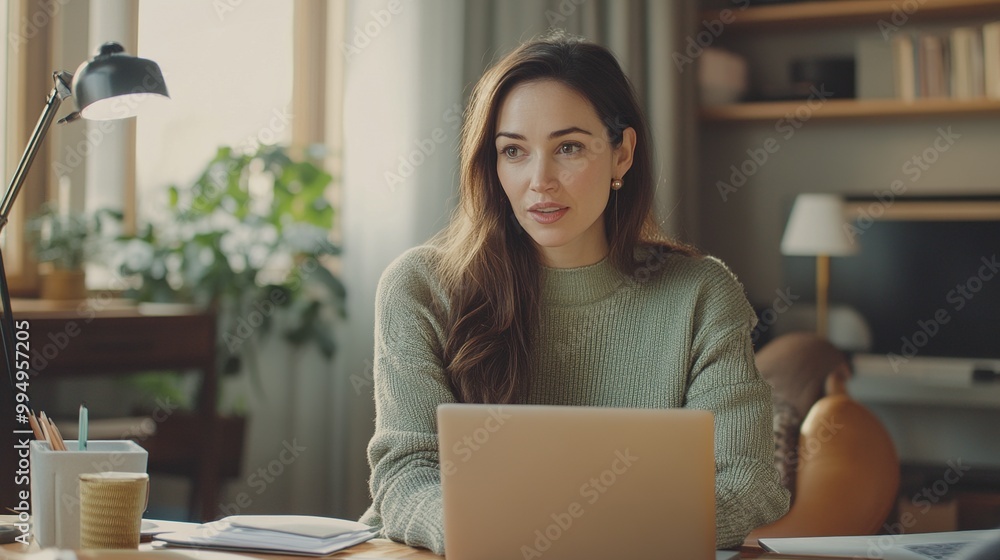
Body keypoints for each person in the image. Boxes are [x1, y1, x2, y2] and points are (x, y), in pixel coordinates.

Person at [359, 32, 789, 554]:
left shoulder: (700, 294)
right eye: (513, 151)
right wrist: (489, 535)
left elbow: (746, 483)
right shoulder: (420, 288)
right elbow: (406, 474)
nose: (540, 180)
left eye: (568, 148)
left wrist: (584, 533)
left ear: (621, 155)